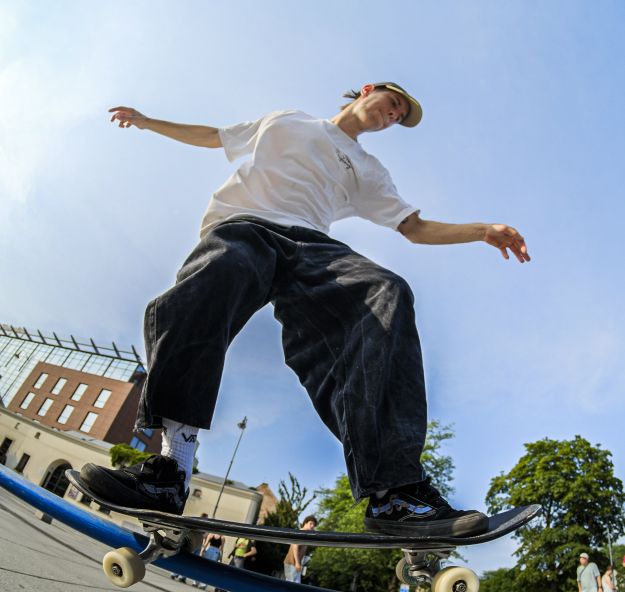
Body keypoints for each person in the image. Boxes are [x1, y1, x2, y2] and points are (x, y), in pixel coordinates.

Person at [80, 82, 531, 538]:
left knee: (385, 292)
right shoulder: (287, 120)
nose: (392, 115)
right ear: (367, 91)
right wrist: (147, 121)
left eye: (398, 117)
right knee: (209, 284)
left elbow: (413, 227)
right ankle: (171, 470)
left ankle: (397, 493)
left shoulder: (369, 169)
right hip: (244, 229)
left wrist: (482, 230)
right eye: (392, 104)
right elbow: (214, 136)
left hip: (314, 246)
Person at [270, 515, 318, 592]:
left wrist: (300, 563)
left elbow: (302, 551)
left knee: (293, 587)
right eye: (311, 523)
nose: (312, 526)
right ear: (305, 522)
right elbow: (294, 546)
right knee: (291, 586)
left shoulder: (306, 535)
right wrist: (297, 562)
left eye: (314, 525)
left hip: (296, 564)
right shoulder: (300, 532)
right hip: (291, 563)